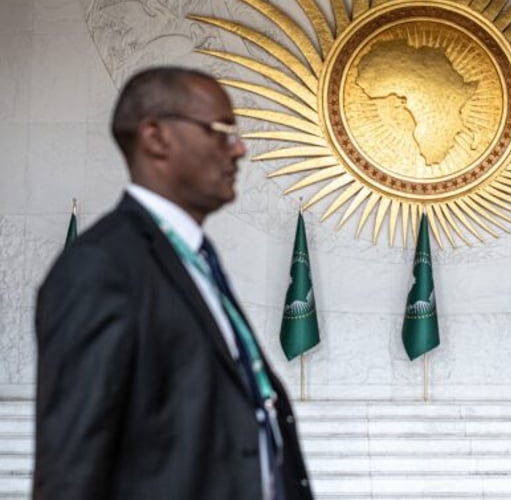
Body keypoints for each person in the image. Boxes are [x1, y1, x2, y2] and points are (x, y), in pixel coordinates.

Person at [34, 66, 313, 500]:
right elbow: (72, 469)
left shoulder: (195, 260)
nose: (238, 149)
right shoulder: (100, 267)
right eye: (221, 130)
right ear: (156, 137)